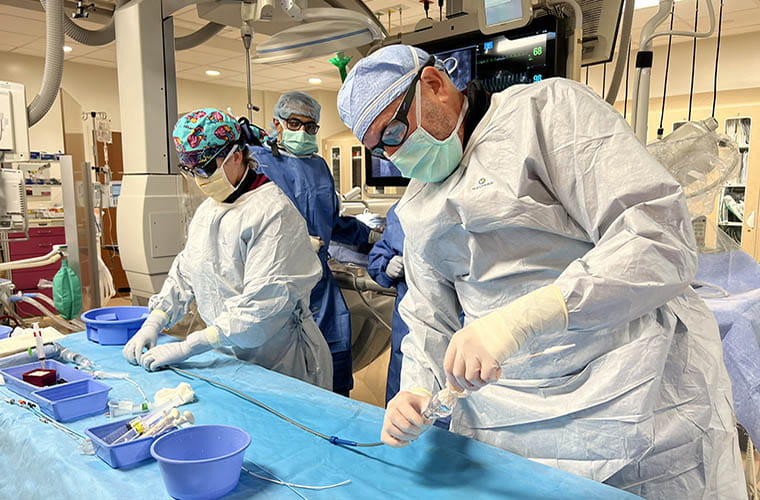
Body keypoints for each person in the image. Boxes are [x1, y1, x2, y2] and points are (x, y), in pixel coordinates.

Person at [337, 45, 745, 499]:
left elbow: (657, 239)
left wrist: (526, 317)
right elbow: (430, 313)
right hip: (505, 420)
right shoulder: (417, 205)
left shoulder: (547, 115)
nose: (396, 153)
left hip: (632, 397)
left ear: (435, 85)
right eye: (381, 148)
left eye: (395, 130)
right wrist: (415, 387)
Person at [122, 108, 332, 390]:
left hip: (279, 359)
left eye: (206, 168)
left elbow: (262, 305)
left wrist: (190, 347)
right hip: (225, 350)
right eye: (190, 169)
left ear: (235, 156)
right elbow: (187, 270)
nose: (199, 177)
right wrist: (155, 320)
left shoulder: (272, 212)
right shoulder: (211, 208)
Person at [246, 91, 378, 396]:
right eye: (294, 123)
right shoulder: (259, 164)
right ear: (277, 125)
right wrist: (290, 242)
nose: (303, 131)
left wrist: (368, 235)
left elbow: (330, 221)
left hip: (320, 282)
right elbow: (247, 224)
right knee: (288, 368)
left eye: (310, 126)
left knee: (335, 358)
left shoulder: (319, 166)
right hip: (278, 282)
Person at [367, 202, 407, 403]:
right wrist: (386, 264)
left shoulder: (468, 204)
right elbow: (380, 253)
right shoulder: (402, 209)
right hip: (409, 322)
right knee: (404, 402)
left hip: (462, 318)